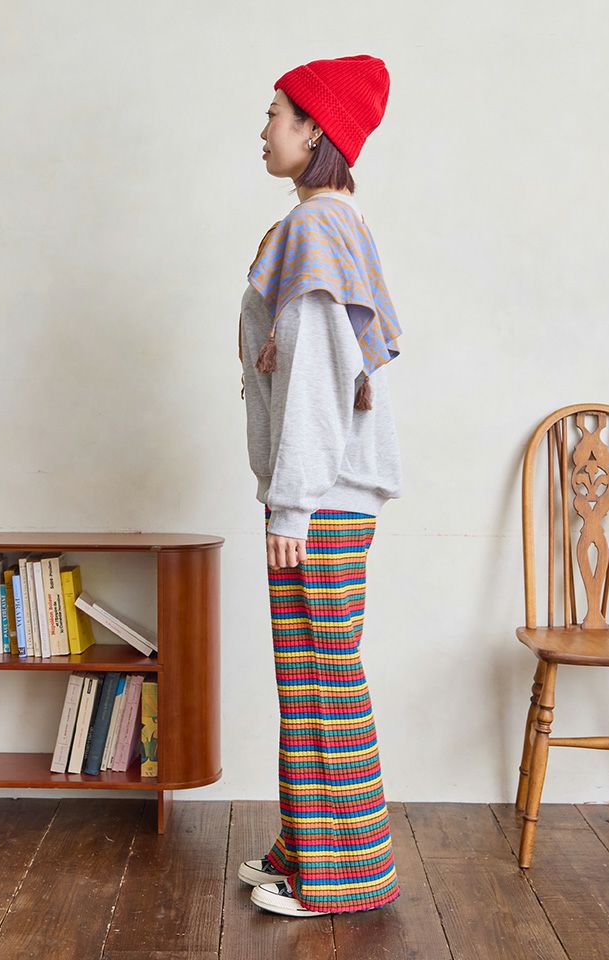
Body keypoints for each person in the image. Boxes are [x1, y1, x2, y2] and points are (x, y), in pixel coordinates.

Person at [236, 54, 405, 918]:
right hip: (329, 490)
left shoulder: (314, 230)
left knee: (322, 682)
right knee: (311, 677)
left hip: (322, 496)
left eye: (276, 113)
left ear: (315, 130)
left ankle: (345, 875)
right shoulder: (332, 222)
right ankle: (307, 847)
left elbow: (314, 374)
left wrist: (292, 501)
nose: (262, 128)